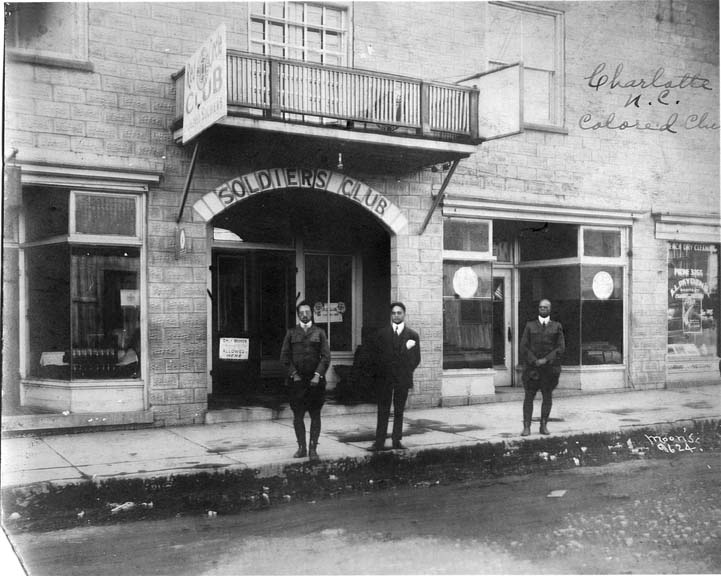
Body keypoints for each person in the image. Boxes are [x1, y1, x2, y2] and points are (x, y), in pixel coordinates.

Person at [280, 301, 330, 461]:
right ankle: (301, 447)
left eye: (307, 312)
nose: (305, 314)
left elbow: (326, 357)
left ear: (312, 313)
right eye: (301, 312)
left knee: (315, 414)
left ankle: (313, 448)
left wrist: (318, 375)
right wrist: (293, 374)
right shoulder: (291, 333)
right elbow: (284, 357)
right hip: (297, 382)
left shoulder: (320, 332)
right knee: (298, 415)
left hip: (316, 382)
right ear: (298, 314)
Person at [368, 301, 421, 451]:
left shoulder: (412, 335)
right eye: (393, 313)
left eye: (399, 313)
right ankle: (379, 442)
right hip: (385, 378)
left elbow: (416, 359)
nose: (396, 315)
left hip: (402, 378)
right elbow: (376, 357)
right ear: (390, 315)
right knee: (383, 410)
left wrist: (405, 370)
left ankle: (396, 440)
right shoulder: (382, 334)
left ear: (404, 314)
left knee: (399, 410)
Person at [519, 299, 565, 436]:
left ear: (550, 309)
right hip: (532, 370)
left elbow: (561, 347)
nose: (542, 310)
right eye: (540, 307)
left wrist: (546, 359)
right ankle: (526, 426)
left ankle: (543, 425)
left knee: (547, 397)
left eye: (545, 308)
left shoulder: (556, 326)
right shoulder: (530, 326)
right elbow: (523, 346)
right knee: (528, 397)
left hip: (549, 370)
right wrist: (534, 360)